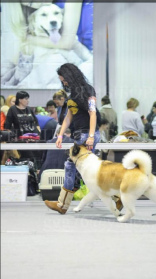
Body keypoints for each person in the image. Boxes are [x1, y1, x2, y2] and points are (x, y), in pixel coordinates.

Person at [44, 63, 101, 214]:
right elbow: (68, 117)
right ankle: (116, 199)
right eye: (62, 80)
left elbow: (93, 113)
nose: (64, 82)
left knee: (73, 166)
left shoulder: (87, 90)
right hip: (82, 134)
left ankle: (62, 204)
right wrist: (60, 135)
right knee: (86, 170)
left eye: (64, 79)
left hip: (87, 134)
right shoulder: (73, 94)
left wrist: (90, 136)